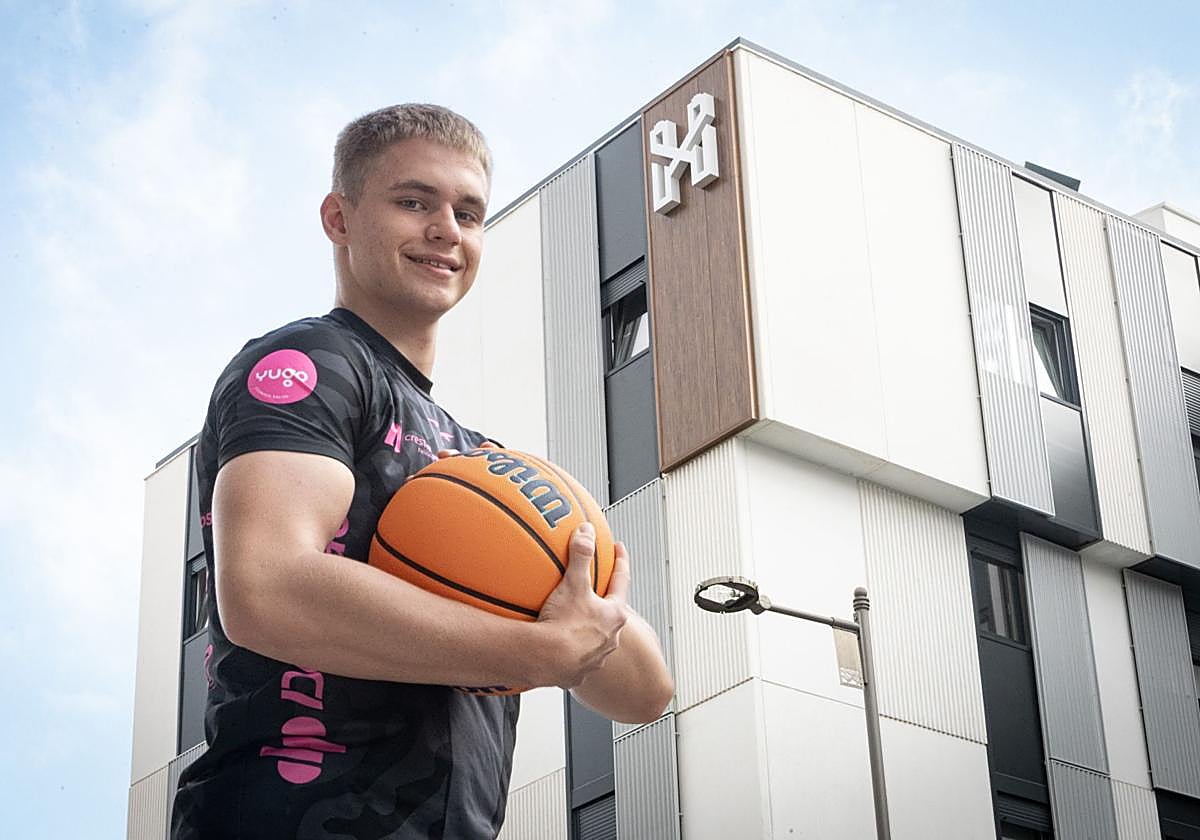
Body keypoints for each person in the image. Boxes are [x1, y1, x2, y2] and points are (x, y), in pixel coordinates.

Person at [171, 104, 674, 840]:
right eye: (414, 202)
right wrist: (535, 649)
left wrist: (579, 628)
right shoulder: (312, 364)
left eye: (468, 213)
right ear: (338, 218)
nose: (447, 229)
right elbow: (267, 586)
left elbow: (645, 691)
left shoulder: (484, 464)